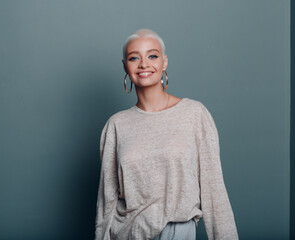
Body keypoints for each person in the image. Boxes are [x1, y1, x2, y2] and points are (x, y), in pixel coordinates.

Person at [94, 28, 239, 240]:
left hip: (178, 232)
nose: (144, 64)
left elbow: (214, 192)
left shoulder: (194, 114)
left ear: (165, 62)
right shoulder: (116, 125)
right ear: (125, 66)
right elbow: (106, 201)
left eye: (152, 56)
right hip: (127, 233)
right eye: (134, 58)